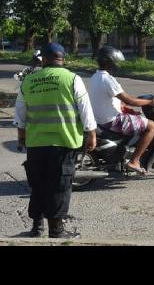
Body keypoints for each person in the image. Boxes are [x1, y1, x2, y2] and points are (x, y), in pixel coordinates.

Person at [14, 42, 97, 239]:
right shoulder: (72, 79)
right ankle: (57, 231)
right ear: (62, 59)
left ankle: (36, 229)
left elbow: (20, 114)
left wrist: (21, 137)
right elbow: (85, 109)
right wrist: (91, 133)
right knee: (59, 186)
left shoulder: (29, 81)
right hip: (64, 142)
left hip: (36, 143)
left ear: (43, 59)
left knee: (38, 185)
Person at [89, 45, 154, 176]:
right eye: (117, 62)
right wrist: (150, 102)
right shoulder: (108, 79)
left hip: (100, 119)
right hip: (112, 121)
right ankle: (134, 161)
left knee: (137, 118)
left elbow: (111, 99)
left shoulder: (95, 77)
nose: (118, 65)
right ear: (110, 62)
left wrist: (124, 108)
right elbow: (129, 100)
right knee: (151, 126)